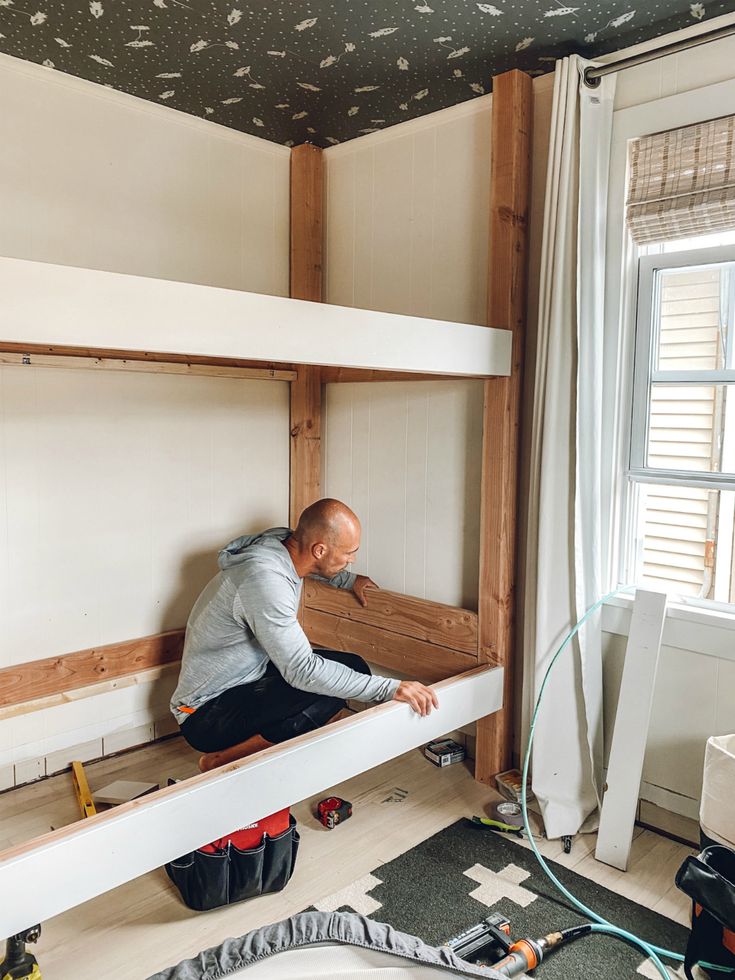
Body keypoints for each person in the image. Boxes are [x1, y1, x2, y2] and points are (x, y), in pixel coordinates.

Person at [171, 498, 439, 772]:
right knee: (327, 692)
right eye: (348, 553)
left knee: (354, 667)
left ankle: (302, 734)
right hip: (206, 714)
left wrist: (349, 579)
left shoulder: (282, 544)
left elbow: (311, 564)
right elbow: (301, 670)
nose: (352, 559)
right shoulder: (264, 579)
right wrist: (390, 688)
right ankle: (223, 759)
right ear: (320, 550)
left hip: (249, 677)